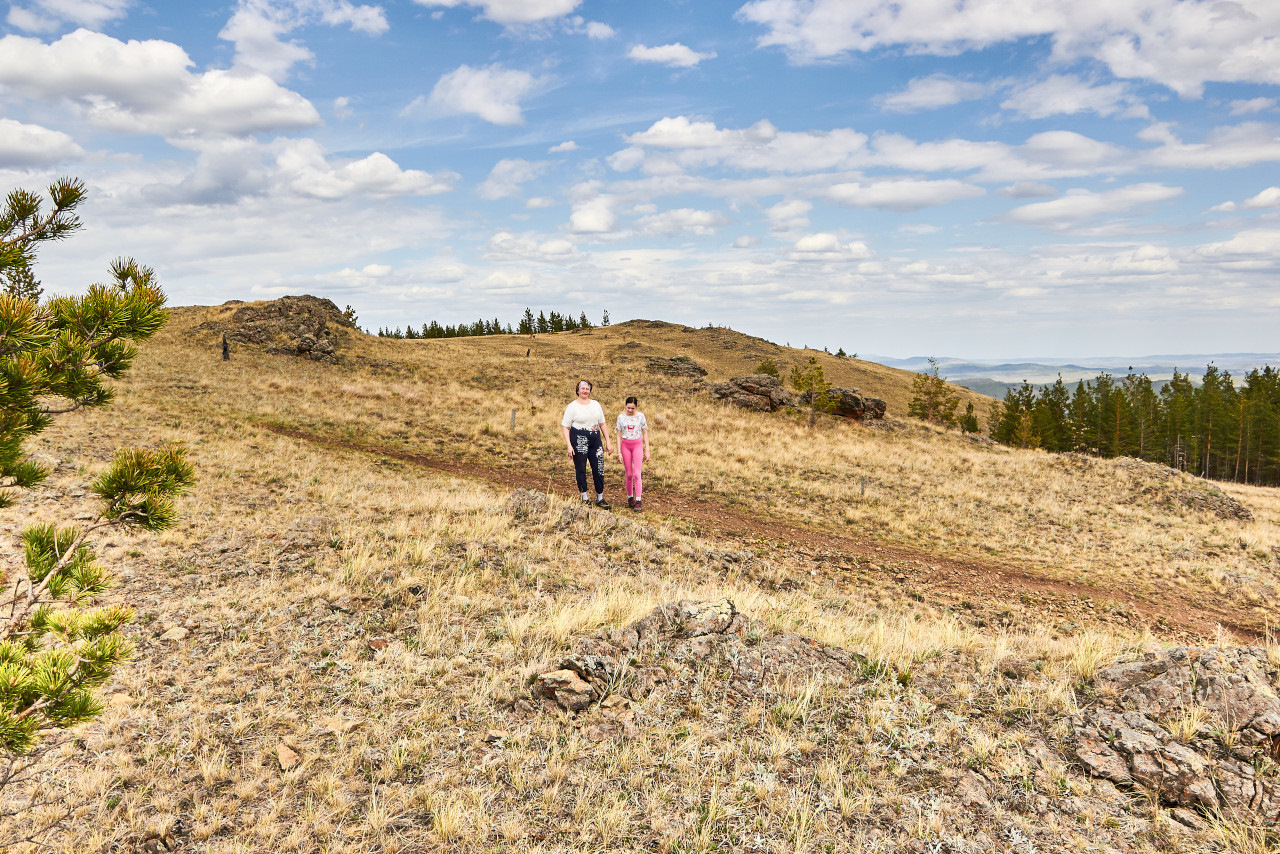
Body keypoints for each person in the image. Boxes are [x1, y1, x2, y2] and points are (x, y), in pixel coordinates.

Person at [561, 379, 612, 508]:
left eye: (587, 388)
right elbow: (565, 427)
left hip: (595, 439)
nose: (585, 390)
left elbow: (602, 424)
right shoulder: (572, 406)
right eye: (582, 388)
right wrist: (569, 445)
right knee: (581, 468)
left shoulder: (596, 405)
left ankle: (600, 497)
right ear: (577, 390)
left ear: (590, 390)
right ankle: (584, 497)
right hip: (579, 439)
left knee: (599, 468)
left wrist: (608, 442)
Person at [614, 396, 650, 511]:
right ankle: (630, 498)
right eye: (628, 408)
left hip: (637, 445)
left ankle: (638, 500)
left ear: (636, 407)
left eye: (632, 408)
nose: (630, 410)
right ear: (625, 406)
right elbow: (618, 435)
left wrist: (647, 450)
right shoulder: (621, 417)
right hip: (625, 445)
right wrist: (618, 452)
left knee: (636, 473)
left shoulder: (640, 416)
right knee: (629, 474)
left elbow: (645, 433)